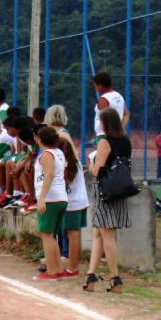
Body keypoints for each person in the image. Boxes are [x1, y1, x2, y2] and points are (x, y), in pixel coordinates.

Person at [85, 108, 132, 294]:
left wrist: (90, 165)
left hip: (105, 190)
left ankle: (115, 277)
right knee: (99, 232)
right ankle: (90, 275)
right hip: (120, 188)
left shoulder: (105, 142)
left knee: (107, 234)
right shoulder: (126, 141)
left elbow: (97, 170)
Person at [35, 126, 72, 280]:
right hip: (60, 197)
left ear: (39, 139)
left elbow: (49, 175)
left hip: (51, 198)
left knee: (46, 235)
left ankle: (51, 271)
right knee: (52, 236)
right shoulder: (59, 153)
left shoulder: (47, 154)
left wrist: (42, 198)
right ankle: (57, 269)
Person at [61, 138, 89, 277]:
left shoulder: (64, 164)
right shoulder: (75, 161)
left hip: (72, 203)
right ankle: (74, 266)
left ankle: (72, 268)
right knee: (76, 234)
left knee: (73, 235)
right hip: (81, 202)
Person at [92, 71, 129, 136]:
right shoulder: (118, 95)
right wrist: (121, 128)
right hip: (117, 134)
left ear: (100, 85)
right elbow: (126, 114)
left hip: (104, 135)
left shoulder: (103, 99)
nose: (95, 89)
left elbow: (105, 119)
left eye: (95, 86)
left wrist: (105, 137)